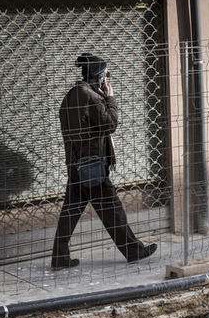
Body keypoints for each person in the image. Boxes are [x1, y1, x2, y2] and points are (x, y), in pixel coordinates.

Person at [51, 53, 157, 270]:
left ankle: (59, 258)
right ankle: (134, 250)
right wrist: (110, 98)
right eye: (106, 75)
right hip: (91, 164)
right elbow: (110, 125)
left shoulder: (72, 94)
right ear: (98, 76)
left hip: (76, 163)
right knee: (112, 208)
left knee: (70, 211)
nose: (108, 79)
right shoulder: (91, 96)